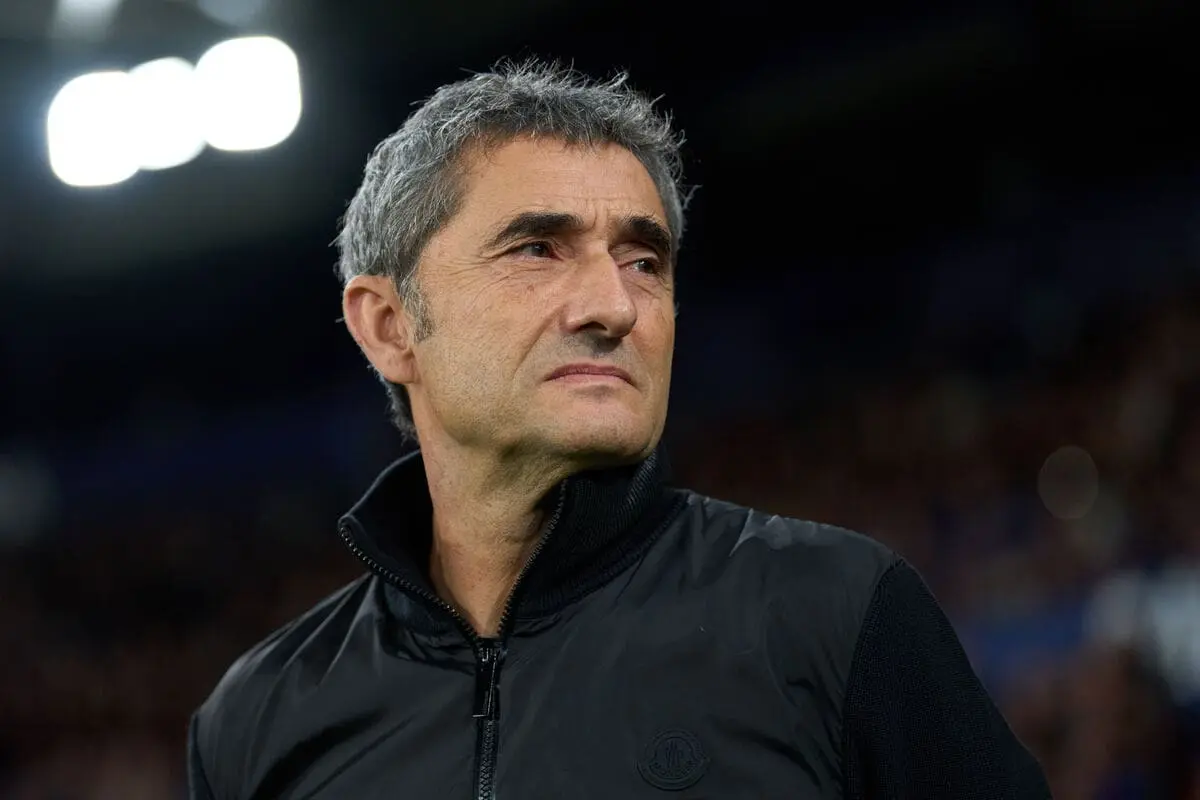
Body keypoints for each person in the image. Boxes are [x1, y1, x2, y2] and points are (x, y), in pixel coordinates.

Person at [187, 59, 1052, 799]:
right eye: (537, 250)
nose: (614, 305)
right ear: (388, 326)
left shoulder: (838, 613)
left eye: (644, 261)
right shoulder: (258, 719)